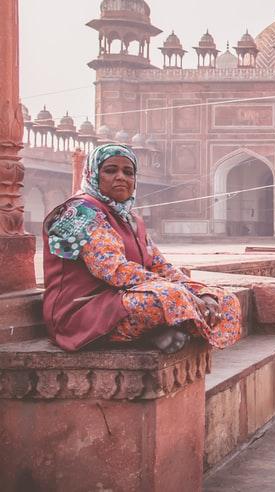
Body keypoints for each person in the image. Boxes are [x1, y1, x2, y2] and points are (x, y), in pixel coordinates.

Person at [42, 144, 242, 354]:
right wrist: (183, 293)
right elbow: (114, 271)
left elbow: (161, 267)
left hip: (120, 301)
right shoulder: (79, 212)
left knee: (224, 300)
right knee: (172, 297)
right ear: (93, 174)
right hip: (82, 312)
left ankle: (153, 332)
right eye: (110, 170)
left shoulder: (131, 218)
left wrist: (201, 293)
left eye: (128, 172)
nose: (121, 177)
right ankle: (155, 331)